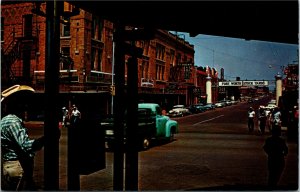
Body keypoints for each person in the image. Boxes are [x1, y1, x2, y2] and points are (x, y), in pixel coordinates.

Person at [1, 85, 45, 190]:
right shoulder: (13, 122)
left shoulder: (5, 120)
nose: (26, 106)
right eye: (23, 103)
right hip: (17, 167)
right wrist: (45, 139)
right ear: (16, 104)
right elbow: (25, 145)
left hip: (10, 167)